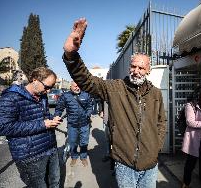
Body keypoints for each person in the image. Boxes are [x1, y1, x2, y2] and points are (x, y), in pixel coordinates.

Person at [62, 18, 166, 188]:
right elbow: (87, 81)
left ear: (148, 70)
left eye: (141, 68)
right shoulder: (115, 88)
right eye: (133, 66)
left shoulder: (155, 93)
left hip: (150, 163)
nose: (136, 71)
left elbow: (161, 121)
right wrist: (71, 56)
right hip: (124, 163)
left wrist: (156, 147)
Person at [0, 67, 61, 188]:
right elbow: (3, 127)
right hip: (30, 156)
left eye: (51, 88)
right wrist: (43, 124)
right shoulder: (11, 97)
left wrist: (52, 119)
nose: (48, 91)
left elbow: (41, 117)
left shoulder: (42, 96)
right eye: (47, 87)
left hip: (50, 148)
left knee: (55, 183)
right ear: (34, 80)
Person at [54, 81, 93, 167]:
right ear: (70, 87)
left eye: (79, 86)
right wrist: (57, 116)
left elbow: (90, 106)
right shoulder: (65, 96)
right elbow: (59, 108)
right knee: (72, 142)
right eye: (75, 86)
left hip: (84, 124)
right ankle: (74, 156)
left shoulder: (86, 94)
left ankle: (83, 157)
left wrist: (87, 115)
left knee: (84, 142)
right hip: (72, 124)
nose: (77, 88)